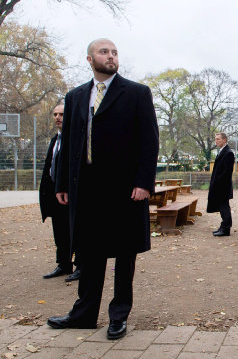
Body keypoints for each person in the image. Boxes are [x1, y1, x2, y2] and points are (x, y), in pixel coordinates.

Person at [47, 38, 159, 340]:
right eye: (103, 51)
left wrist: (143, 182)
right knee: (88, 252)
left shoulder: (136, 93)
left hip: (125, 190)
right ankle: (83, 315)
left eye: (114, 52)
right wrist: (62, 183)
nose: (110, 56)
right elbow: (70, 143)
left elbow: (149, 142)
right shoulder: (75, 97)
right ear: (89, 59)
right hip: (86, 190)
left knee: (124, 254)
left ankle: (118, 315)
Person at [39, 103, 80, 282]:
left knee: (76, 229)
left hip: (73, 193)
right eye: (55, 114)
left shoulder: (76, 139)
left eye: (61, 114)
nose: (57, 117)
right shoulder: (56, 140)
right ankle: (63, 264)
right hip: (56, 193)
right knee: (60, 230)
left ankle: (81, 265)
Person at [207, 132, 235, 237]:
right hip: (220, 186)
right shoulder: (222, 151)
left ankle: (226, 229)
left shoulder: (228, 153)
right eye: (215, 139)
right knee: (223, 208)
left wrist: (218, 183)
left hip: (223, 187)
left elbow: (227, 172)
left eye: (218, 139)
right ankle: (223, 227)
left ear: (224, 140)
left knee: (224, 208)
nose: (216, 141)